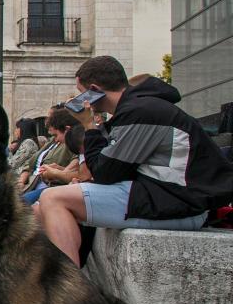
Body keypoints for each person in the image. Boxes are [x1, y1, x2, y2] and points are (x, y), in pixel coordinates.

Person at [35, 56, 233, 266]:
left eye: (82, 91)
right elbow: (113, 168)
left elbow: (106, 173)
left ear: (94, 89)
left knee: (53, 199)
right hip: (164, 195)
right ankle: (66, 277)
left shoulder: (142, 111)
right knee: (40, 210)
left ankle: (69, 289)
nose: (80, 98)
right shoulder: (138, 108)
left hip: (179, 202)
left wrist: (89, 125)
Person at [17, 109, 76, 201]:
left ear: (66, 130)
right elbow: (29, 164)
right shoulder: (51, 141)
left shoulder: (73, 145)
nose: (55, 139)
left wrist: (54, 172)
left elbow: (74, 174)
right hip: (32, 182)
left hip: (47, 186)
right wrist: (21, 181)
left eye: (56, 135)